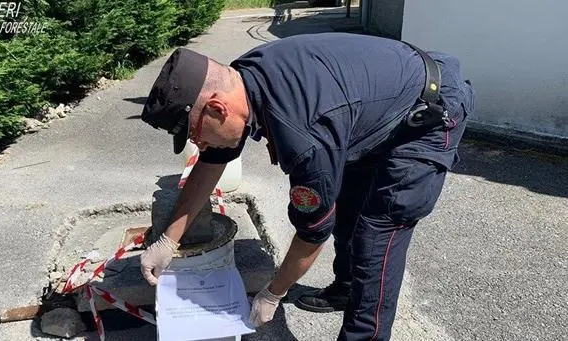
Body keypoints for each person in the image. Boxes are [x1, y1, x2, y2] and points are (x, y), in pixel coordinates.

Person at [138, 32, 475, 340]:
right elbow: (213, 160)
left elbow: (312, 234)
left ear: (217, 108)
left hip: (428, 113)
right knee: (347, 203)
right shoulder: (241, 80)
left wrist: (274, 292)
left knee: (378, 235)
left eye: (195, 134)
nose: (198, 144)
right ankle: (346, 288)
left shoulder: (305, 136)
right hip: (373, 111)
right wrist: (169, 239)